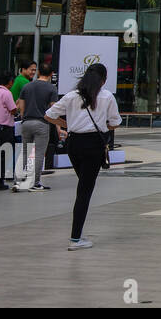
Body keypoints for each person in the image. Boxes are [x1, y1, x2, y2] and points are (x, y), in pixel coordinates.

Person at [45, 63, 121, 249]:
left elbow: (48, 115)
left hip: (74, 144)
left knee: (83, 187)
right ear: (103, 80)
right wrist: (103, 126)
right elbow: (115, 122)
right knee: (84, 192)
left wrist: (67, 123)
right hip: (94, 144)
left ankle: (77, 234)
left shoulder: (72, 96)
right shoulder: (106, 96)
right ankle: (75, 238)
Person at [15, 63, 59, 191]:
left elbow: (21, 107)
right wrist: (58, 128)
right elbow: (53, 110)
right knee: (39, 154)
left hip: (26, 122)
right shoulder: (51, 89)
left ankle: (17, 181)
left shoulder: (27, 86)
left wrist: (24, 118)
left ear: (39, 73)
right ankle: (35, 183)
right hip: (42, 123)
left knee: (24, 152)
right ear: (51, 74)